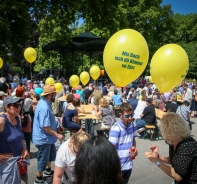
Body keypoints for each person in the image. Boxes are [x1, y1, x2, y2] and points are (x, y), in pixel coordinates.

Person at [144, 112, 197, 184]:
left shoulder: (188, 144)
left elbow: (178, 175)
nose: (162, 133)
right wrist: (158, 157)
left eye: (162, 130)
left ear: (170, 131)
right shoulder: (173, 141)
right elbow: (173, 159)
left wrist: (156, 162)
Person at [32, 85, 64, 184]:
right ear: (51, 94)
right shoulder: (44, 107)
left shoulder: (44, 102)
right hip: (43, 138)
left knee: (51, 155)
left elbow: (50, 120)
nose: (56, 95)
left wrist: (57, 125)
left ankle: (48, 171)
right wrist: (57, 135)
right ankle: (39, 179)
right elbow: (45, 127)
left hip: (48, 138)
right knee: (43, 159)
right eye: (55, 93)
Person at [0, 96, 29, 183]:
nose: (19, 108)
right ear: (6, 107)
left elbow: (20, 137)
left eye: (19, 105)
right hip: (6, 164)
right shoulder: (2, 121)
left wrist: (25, 149)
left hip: (19, 161)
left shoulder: (18, 118)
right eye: (15, 106)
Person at [109, 103, 138, 184]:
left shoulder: (132, 125)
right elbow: (111, 150)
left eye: (132, 115)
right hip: (118, 167)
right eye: (127, 116)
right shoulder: (116, 128)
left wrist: (134, 150)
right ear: (120, 115)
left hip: (129, 165)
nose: (130, 118)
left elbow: (133, 140)